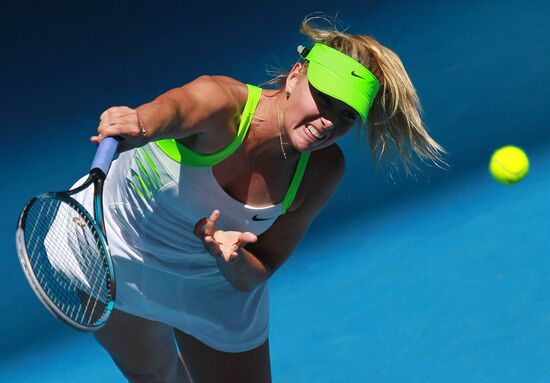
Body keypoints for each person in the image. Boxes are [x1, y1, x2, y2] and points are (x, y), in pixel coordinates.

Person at [79, 16, 446, 383]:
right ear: (295, 75)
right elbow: (172, 109)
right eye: (325, 99)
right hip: (114, 251)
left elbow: (260, 268)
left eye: (346, 115)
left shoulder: (321, 171)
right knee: (154, 376)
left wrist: (234, 260)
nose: (328, 122)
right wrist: (139, 124)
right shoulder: (221, 103)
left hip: (209, 284)